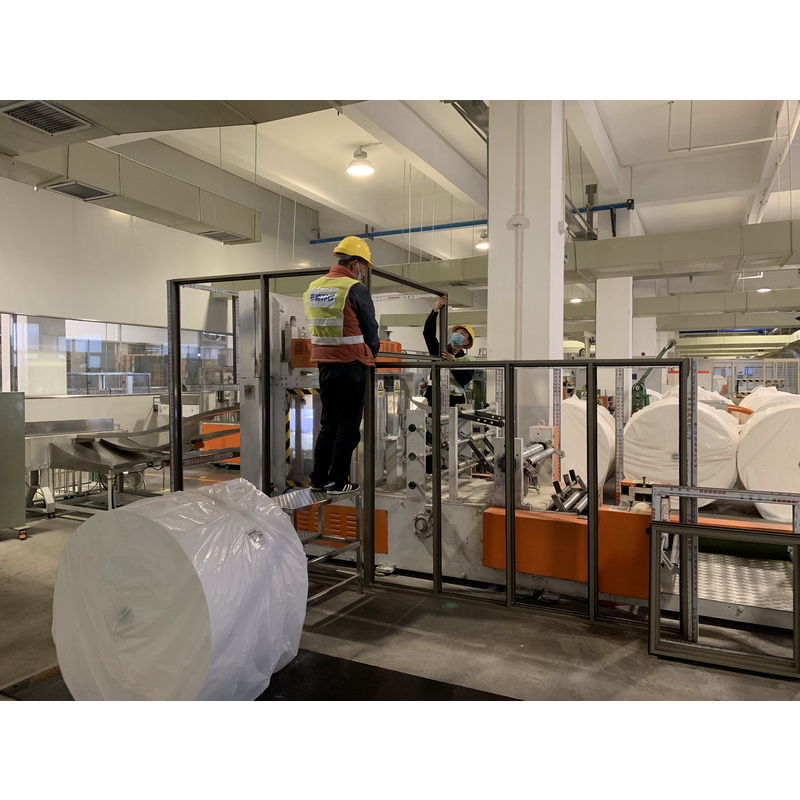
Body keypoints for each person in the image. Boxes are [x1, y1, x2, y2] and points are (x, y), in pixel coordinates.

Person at [303, 236, 380, 495]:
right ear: (355, 263)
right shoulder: (354, 288)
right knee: (348, 426)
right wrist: (372, 353)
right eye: (364, 266)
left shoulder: (314, 287)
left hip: (325, 364)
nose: (363, 272)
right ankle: (338, 481)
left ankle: (317, 479)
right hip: (352, 364)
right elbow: (370, 327)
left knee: (328, 424)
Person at [422, 295, 477, 407]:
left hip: (455, 401)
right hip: (435, 397)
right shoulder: (440, 351)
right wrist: (435, 310)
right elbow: (428, 334)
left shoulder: (468, 360)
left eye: (462, 334)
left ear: (467, 342)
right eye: (456, 332)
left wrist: (452, 363)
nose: (458, 334)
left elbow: (464, 380)